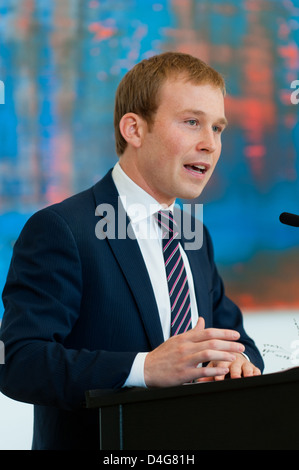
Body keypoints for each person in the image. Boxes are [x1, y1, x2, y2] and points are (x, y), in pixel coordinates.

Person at [0, 52, 264, 450]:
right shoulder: (62, 229)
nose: (210, 144)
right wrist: (145, 368)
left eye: (218, 127)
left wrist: (240, 366)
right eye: (192, 122)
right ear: (134, 129)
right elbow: (19, 362)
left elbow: (236, 340)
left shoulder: (193, 232)